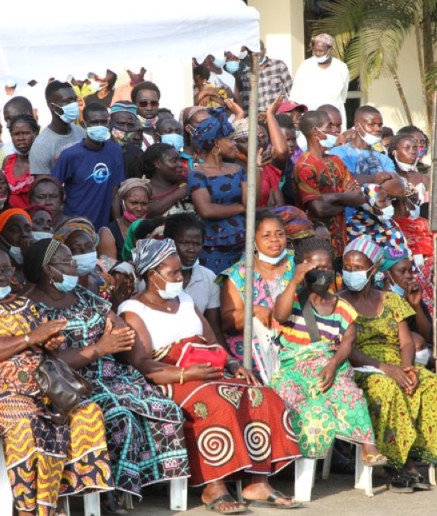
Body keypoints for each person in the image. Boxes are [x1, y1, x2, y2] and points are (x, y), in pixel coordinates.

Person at [119, 238, 302, 512]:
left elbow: (211, 340)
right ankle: (213, 486)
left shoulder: (185, 300)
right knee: (216, 403)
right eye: (172, 274)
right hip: (168, 377)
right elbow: (143, 364)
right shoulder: (133, 310)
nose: (180, 277)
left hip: (207, 370)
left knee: (260, 395)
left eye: (180, 271)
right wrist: (185, 373)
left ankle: (257, 481)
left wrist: (231, 363)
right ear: (150, 274)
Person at [0, 240, 114, 514]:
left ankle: (52, 503)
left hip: (38, 387)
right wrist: (30, 338)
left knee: (86, 412)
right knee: (26, 419)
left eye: (7, 271)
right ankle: (27, 507)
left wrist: (47, 343)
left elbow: (39, 341)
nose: (2, 277)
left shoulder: (21, 303)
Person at [25, 238, 189, 507]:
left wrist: (115, 337)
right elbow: (44, 361)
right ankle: (109, 489)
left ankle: (152, 485)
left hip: (115, 376)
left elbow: (120, 329)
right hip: (72, 384)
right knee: (118, 415)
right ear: (48, 270)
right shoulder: (30, 307)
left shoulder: (84, 296)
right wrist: (100, 348)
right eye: (66, 261)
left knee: (165, 407)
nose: (73, 265)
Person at [339, 237, 437, 491]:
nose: (351, 273)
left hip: (395, 362)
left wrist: (406, 367)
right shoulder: (339, 302)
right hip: (359, 366)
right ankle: (400, 462)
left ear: (374, 269)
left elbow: (406, 342)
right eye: (347, 267)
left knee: (432, 384)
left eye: (358, 267)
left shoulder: (391, 300)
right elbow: (346, 347)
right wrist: (387, 369)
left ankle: (419, 452)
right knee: (386, 387)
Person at [269, 237, 386, 465]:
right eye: (316, 268)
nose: (323, 272)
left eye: (327, 268)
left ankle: (368, 447)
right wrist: (294, 281)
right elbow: (280, 316)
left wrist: (332, 365)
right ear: (303, 268)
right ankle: (296, 459)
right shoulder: (292, 299)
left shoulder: (343, 308)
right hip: (295, 371)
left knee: (350, 393)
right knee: (298, 402)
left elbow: (347, 343)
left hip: (329, 368)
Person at [218, 212, 295, 374]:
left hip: (296, 343)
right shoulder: (238, 274)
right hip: (255, 353)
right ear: (253, 240)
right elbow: (228, 321)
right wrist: (254, 310)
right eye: (266, 235)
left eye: (279, 234)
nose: (274, 239)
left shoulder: (297, 262)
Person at [292, 110, 365, 258]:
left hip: (341, 243)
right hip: (317, 246)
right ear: (316, 132)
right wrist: (345, 198)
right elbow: (318, 209)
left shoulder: (336, 160)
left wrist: (330, 198)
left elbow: (359, 197)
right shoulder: (305, 166)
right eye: (329, 127)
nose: (335, 131)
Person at [187, 108, 247, 274]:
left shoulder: (238, 169)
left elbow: (251, 202)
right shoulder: (197, 174)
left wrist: (256, 167)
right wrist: (241, 208)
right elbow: (206, 210)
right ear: (216, 144)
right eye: (230, 140)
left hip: (243, 243)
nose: (235, 144)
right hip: (213, 247)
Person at [52, 103, 125, 230]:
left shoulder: (115, 151)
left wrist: (119, 226)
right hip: (75, 226)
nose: (99, 126)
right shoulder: (70, 155)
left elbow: (115, 192)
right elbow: (52, 189)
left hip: (103, 228)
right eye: (94, 122)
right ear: (83, 124)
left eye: (103, 122)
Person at [163, 213, 223, 342]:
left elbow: (213, 328)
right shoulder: (152, 278)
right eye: (185, 243)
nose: (192, 249)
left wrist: (227, 359)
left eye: (197, 244)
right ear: (169, 243)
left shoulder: (208, 277)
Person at [328, 107, 403, 199]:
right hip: (352, 212)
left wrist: (362, 184)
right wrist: (376, 178)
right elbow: (346, 181)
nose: (378, 129)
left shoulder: (383, 158)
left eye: (380, 125)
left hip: (381, 212)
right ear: (358, 127)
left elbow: (398, 188)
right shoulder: (339, 153)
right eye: (372, 124)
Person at [290, 33, 350, 129]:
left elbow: (343, 95)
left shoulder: (341, 67)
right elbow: (295, 95)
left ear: (330, 49)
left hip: (333, 120)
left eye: (321, 51)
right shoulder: (305, 66)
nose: (317, 53)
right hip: (310, 119)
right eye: (315, 50)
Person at [30, 81, 86, 175]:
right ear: (52, 107)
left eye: (74, 100)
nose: (74, 105)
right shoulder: (41, 147)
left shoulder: (81, 132)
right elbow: (43, 187)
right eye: (68, 101)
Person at [347, 183, 409, 256]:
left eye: (387, 199)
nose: (388, 204)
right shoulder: (351, 229)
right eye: (382, 201)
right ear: (367, 205)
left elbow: (405, 256)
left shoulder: (391, 225)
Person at [98, 177, 150, 261]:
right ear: (122, 203)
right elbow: (106, 268)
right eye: (134, 203)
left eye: (144, 204)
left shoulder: (153, 230)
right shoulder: (107, 233)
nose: (139, 208)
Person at [141, 144, 193, 217]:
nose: (180, 164)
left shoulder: (185, 181)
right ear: (158, 164)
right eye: (174, 161)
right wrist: (179, 193)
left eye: (179, 160)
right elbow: (148, 212)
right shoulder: (143, 190)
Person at [0, 208, 34, 287]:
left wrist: (31, 261)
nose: (24, 234)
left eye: (28, 229)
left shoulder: (41, 264)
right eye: (14, 230)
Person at [3, 115, 39, 209]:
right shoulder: (8, 161)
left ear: (35, 133)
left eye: (26, 133)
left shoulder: (41, 162)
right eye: (16, 134)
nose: (21, 138)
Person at [254, 40, 294, 119]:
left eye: (260, 49)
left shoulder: (279, 65)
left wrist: (292, 111)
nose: (257, 53)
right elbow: (245, 98)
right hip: (259, 116)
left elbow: (291, 90)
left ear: (264, 50)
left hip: (279, 113)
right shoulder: (247, 71)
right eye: (254, 51)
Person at [131, 81, 162, 149]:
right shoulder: (129, 133)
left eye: (153, 103)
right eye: (143, 103)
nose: (149, 108)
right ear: (134, 104)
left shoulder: (163, 131)